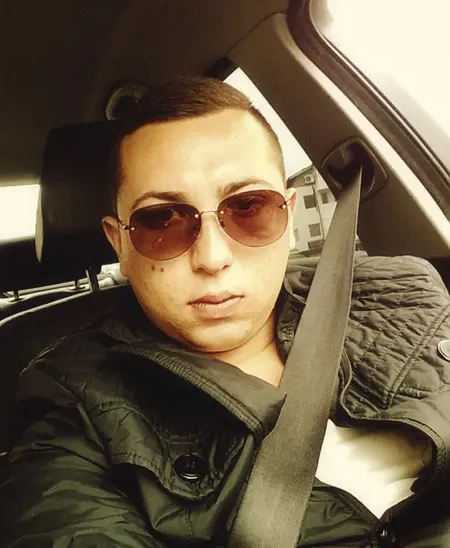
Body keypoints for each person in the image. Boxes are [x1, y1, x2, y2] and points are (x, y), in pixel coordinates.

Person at [0, 76, 449, 547]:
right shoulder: (72, 400)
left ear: (289, 217)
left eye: (249, 206)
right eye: (161, 219)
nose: (212, 258)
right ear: (120, 245)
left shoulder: (402, 287)